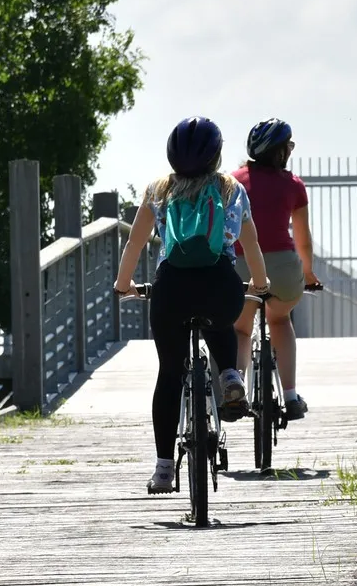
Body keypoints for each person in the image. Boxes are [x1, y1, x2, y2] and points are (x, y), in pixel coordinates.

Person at [114, 117, 269, 495]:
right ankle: (230, 374)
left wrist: (123, 285)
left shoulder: (158, 190)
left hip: (171, 290)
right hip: (221, 285)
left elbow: (135, 243)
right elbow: (251, 245)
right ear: (216, 156)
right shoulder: (232, 189)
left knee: (169, 373)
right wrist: (261, 284)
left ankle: (164, 470)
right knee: (220, 322)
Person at [232, 119, 319, 421]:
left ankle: (236, 390)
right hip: (283, 268)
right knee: (280, 320)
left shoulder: (232, 181)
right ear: (281, 152)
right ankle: (292, 396)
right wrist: (308, 274)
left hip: (242, 266)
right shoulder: (293, 184)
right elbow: (304, 240)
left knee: (241, 328)